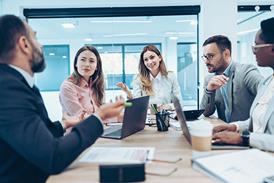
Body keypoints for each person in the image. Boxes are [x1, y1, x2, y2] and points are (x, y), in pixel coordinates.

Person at [0, 15, 124, 183]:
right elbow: (52, 156)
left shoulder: (20, 84)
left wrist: (63, 124)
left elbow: (33, 137)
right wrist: (99, 116)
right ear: (24, 44)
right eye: (35, 37)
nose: (41, 45)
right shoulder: (8, 89)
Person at [213, 17, 274, 152]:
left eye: (256, 46)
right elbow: (258, 121)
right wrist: (234, 127)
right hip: (255, 153)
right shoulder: (267, 82)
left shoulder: (247, 72)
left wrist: (244, 139)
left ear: (272, 49)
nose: (253, 51)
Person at [200, 35, 263, 123]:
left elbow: (267, 95)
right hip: (225, 133)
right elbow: (205, 112)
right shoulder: (210, 79)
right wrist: (209, 90)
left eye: (210, 56)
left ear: (226, 54)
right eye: (205, 57)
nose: (206, 62)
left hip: (247, 133)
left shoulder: (246, 72)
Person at [117, 45, 183, 109]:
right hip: (147, 118)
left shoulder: (170, 76)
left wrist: (165, 107)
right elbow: (137, 103)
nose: (150, 62)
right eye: (146, 59)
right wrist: (127, 92)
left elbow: (179, 103)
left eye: (152, 57)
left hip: (166, 117)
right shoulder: (138, 79)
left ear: (159, 58)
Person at [59, 46, 104, 120]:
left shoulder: (95, 85)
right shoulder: (67, 87)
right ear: (76, 63)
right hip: (77, 131)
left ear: (96, 67)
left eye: (91, 61)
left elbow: (100, 112)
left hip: (97, 130)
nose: (87, 64)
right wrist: (106, 115)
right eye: (83, 60)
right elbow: (81, 117)